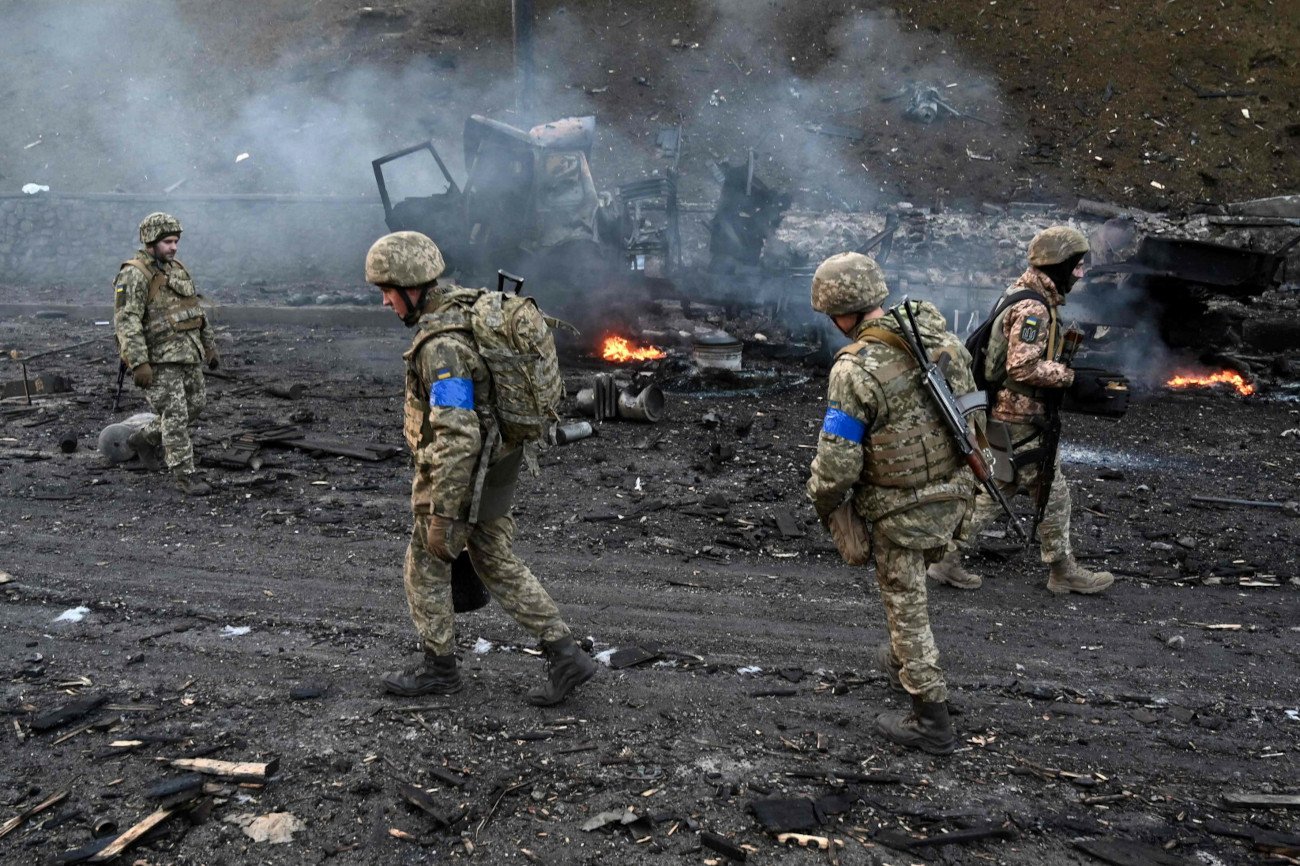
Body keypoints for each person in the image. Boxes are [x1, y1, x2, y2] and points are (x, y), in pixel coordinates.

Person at [366, 230, 596, 706]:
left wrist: (444, 512)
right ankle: (565, 653)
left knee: (426, 561)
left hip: (463, 470)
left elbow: (457, 434)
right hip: (498, 460)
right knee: (494, 558)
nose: (386, 302)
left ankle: (439, 669)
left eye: (388, 291)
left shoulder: (441, 348)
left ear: (412, 287)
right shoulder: (466, 307)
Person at [806, 252, 977, 756]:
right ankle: (906, 660)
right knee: (914, 591)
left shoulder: (854, 369)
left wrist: (822, 502)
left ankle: (931, 718)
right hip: (956, 495)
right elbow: (975, 418)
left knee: (906, 606)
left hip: (899, 512)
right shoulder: (945, 343)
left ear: (842, 312)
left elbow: (837, 464)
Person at [928, 226, 1115, 595]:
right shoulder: (1034, 308)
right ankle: (1063, 571)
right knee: (1048, 491)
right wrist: (1072, 378)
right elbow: (1021, 367)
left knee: (1003, 486)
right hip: (1020, 417)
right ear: (1058, 265)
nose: (1080, 274)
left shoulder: (1019, 292)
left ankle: (947, 558)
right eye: (1076, 266)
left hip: (1004, 413)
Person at [113, 212, 218, 496]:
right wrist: (139, 363)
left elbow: (195, 310)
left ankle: (142, 439)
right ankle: (185, 476)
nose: (174, 247)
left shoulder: (177, 268)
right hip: (159, 360)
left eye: (176, 241)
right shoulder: (133, 274)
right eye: (168, 241)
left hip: (188, 354)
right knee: (175, 416)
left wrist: (209, 346)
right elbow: (127, 321)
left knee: (195, 405)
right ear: (150, 241)